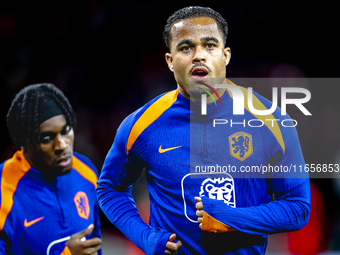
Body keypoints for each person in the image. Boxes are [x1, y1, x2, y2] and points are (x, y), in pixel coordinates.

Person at [97, 6, 311, 255]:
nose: (199, 56)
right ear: (169, 60)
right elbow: (110, 189)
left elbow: (298, 208)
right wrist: (144, 237)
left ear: (226, 55)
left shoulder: (272, 120)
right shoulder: (141, 125)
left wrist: (233, 218)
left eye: (209, 45)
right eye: (186, 48)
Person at [1, 83, 102, 255]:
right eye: (47, 138)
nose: (62, 145)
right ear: (25, 142)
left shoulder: (86, 172)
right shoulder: (4, 192)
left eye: (66, 130)